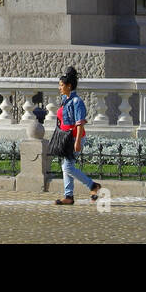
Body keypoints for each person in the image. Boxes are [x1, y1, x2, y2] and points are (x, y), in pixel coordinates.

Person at [54, 66, 101, 205]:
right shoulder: (65, 99)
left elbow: (80, 123)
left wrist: (78, 141)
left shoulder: (77, 102)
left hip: (74, 137)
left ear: (69, 86)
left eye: (61, 85)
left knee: (67, 167)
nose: (59, 88)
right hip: (66, 137)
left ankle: (92, 185)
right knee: (65, 166)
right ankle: (69, 196)